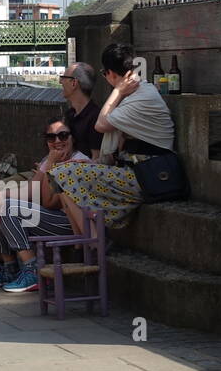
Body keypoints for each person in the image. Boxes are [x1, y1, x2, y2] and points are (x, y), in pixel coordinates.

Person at [51, 43, 176, 234]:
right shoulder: (141, 92)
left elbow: (101, 125)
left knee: (63, 173)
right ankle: (86, 241)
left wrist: (117, 91)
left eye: (104, 73)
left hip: (148, 176)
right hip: (140, 170)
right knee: (60, 174)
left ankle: (94, 241)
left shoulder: (139, 98)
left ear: (110, 73)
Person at [0, 118, 91, 292]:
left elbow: (48, 201)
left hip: (70, 221)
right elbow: (33, 188)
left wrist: (51, 165)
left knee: (8, 208)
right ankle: (9, 267)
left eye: (63, 135)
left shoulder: (78, 162)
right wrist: (0, 195)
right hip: (51, 216)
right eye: (51, 138)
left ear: (72, 138)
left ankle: (33, 270)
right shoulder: (50, 159)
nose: (58, 141)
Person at [60, 62, 104, 159]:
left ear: (74, 83)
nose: (60, 82)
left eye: (63, 78)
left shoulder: (95, 118)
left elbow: (97, 160)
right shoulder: (70, 114)